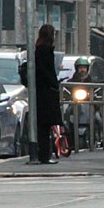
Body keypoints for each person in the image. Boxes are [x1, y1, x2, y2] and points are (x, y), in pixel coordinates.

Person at [34, 24, 62, 164]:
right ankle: (45, 155)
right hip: (46, 93)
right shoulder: (45, 51)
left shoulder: (38, 49)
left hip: (41, 92)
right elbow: (46, 71)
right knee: (45, 126)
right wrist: (54, 83)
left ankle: (45, 154)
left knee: (43, 126)